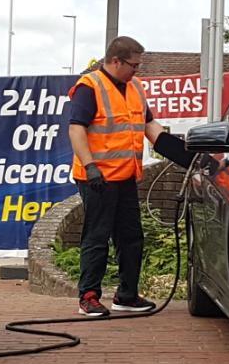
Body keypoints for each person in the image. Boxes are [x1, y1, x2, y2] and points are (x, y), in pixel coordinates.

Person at [67, 35, 166, 318]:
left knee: (131, 236)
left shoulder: (135, 87)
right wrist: (90, 166)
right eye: (134, 65)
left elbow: (149, 125)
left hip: (124, 176)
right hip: (96, 177)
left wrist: (181, 151)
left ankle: (127, 295)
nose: (138, 70)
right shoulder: (90, 86)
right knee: (97, 236)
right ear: (115, 61)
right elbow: (76, 129)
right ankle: (88, 296)